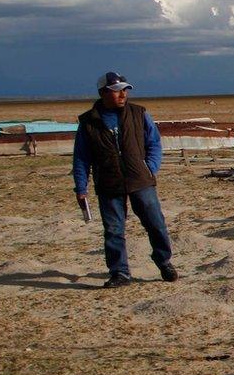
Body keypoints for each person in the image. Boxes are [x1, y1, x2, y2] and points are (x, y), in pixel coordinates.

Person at [72, 72, 177, 288]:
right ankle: (120, 272)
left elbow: (154, 143)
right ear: (103, 93)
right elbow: (81, 157)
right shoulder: (89, 123)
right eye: (117, 90)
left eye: (125, 89)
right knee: (113, 230)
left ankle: (163, 261)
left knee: (155, 224)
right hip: (109, 182)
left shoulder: (139, 113)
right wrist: (81, 187)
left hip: (141, 180)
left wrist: (150, 168)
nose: (123, 94)